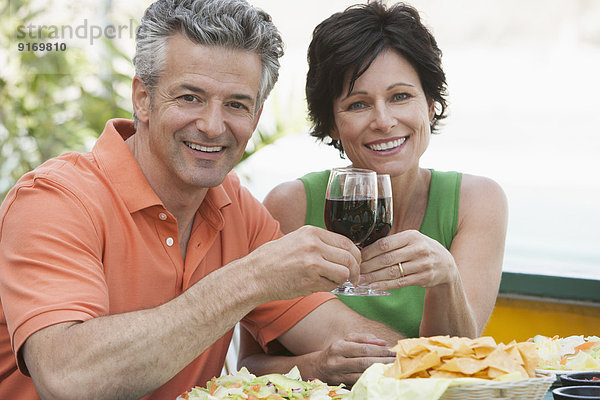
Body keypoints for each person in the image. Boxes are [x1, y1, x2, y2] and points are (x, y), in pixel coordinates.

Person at [0, 1, 402, 399]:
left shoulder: (236, 206)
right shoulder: (54, 201)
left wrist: (446, 337)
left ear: (257, 116)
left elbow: (351, 339)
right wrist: (250, 279)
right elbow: (68, 379)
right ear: (143, 98)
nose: (212, 126)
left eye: (236, 105)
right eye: (190, 97)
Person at [239, 1, 508, 384]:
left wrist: (446, 276)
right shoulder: (290, 205)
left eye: (401, 97)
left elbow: (458, 368)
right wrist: (316, 367)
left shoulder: (478, 202)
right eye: (358, 104)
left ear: (431, 106)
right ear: (332, 123)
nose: (383, 121)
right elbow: (247, 365)